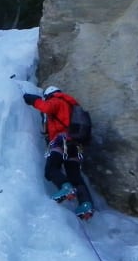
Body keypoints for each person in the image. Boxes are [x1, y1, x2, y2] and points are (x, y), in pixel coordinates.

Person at [23, 85, 94, 219]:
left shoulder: (57, 100)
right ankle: (86, 204)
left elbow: (47, 108)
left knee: (51, 169)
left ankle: (65, 188)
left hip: (62, 141)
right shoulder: (72, 105)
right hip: (76, 145)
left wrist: (33, 100)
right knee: (74, 175)